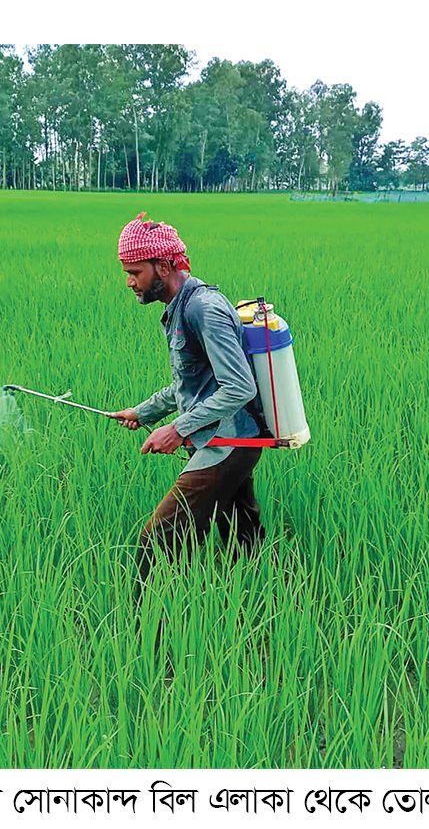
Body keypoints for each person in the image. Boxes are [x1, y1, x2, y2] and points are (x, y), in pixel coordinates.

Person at [108, 212, 271, 590]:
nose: (130, 282)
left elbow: (239, 387)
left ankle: (150, 626)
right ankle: (257, 598)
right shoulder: (179, 308)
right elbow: (191, 384)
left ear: (162, 266)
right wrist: (142, 412)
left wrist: (177, 430)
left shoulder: (204, 309)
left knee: (157, 539)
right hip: (226, 439)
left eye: (135, 272)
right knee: (240, 536)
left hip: (229, 443)